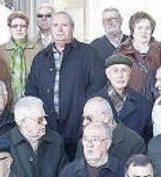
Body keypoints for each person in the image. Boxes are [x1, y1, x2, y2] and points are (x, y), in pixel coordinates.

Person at [25, 11, 105, 159]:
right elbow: (31, 91)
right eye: (55, 25)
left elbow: (98, 88)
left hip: (79, 132)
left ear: (72, 28)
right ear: (50, 28)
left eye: (64, 25)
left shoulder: (88, 54)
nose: (59, 29)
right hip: (48, 131)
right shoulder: (41, 57)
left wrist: (85, 118)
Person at [7, 96, 67, 177]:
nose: (45, 122)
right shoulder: (5, 145)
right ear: (23, 122)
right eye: (39, 120)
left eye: (44, 118)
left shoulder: (55, 141)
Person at [92, 54, 152, 140]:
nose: (120, 75)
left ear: (130, 73)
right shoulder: (94, 102)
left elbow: (147, 137)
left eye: (124, 70)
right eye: (115, 71)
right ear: (107, 74)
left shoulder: (143, 103)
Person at [82, 97, 146, 167]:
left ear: (106, 118)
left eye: (89, 118)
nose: (84, 123)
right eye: (84, 118)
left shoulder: (134, 143)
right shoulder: (84, 141)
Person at [116, 11, 161, 100]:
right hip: (130, 102)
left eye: (147, 28)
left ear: (151, 31)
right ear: (132, 31)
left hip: (157, 102)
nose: (144, 32)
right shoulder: (121, 52)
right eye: (140, 28)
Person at [0, 12, 40, 100]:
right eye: (15, 26)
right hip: (6, 100)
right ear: (10, 28)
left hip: (31, 99)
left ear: (27, 28)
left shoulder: (38, 50)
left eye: (22, 26)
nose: (19, 29)